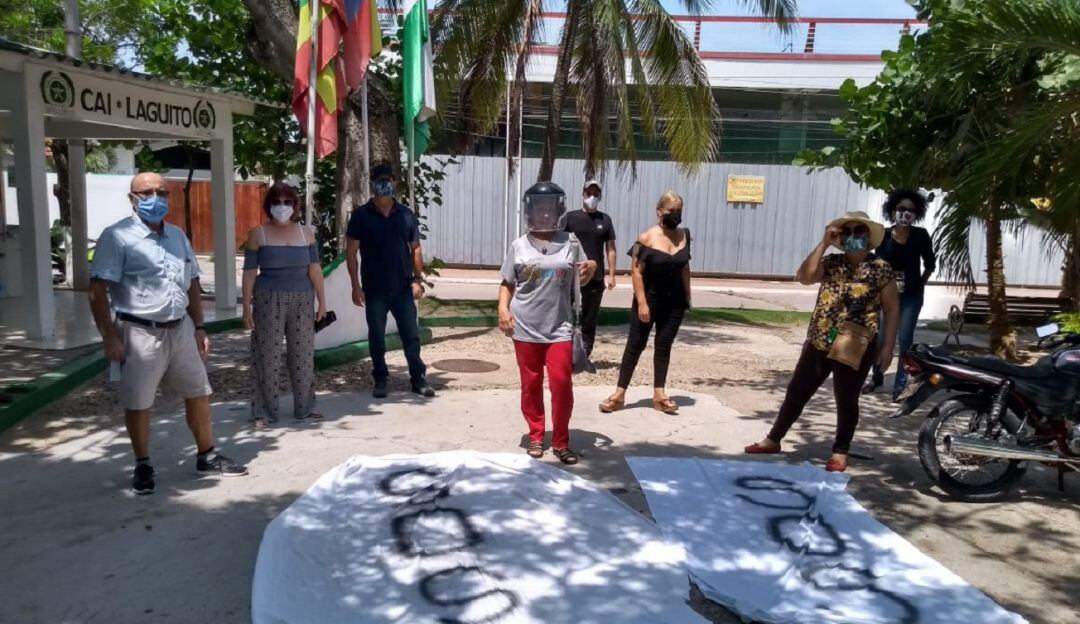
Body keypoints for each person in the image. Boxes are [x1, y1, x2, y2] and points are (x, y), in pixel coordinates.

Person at [88, 172, 247, 495]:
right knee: (138, 402)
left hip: (181, 329)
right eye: (146, 193)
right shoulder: (116, 237)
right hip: (139, 332)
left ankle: (207, 455)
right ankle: (143, 464)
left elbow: (192, 283)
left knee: (199, 392)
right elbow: (97, 289)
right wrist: (109, 335)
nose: (155, 199)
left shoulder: (177, 236)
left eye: (161, 192)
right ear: (132, 199)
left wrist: (199, 327)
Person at [745, 211, 899, 472]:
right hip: (820, 339)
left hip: (856, 343)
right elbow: (804, 277)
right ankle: (773, 439)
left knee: (846, 398)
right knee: (797, 391)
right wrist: (824, 244)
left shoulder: (880, 269)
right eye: (847, 232)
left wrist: (888, 347)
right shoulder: (831, 262)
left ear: (868, 236)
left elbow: (892, 309)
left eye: (859, 231)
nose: (853, 236)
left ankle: (840, 451)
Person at [498, 182, 596, 464]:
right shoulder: (518, 245)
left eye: (549, 209)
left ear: (558, 211)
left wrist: (591, 268)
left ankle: (562, 441)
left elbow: (582, 277)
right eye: (539, 209)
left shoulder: (571, 243)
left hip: (559, 328)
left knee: (562, 385)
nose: (544, 215)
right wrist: (503, 309)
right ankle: (536, 435)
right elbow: (507, 282)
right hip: (525, 327)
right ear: (530, 212)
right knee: (530, 384)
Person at [242, 182, 328, 428]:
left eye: (287, 201)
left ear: (295, 205)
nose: (282, 206)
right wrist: (246, 307)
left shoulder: (306, 233)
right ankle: (263, 411)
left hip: (302, 298)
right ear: (268, 205)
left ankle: (306, 406)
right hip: (268, 299)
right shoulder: (258, 234)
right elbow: (249, 272)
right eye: (277, 202)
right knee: (267, 356)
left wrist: (322, 302)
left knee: (303, 355)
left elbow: (315, 270)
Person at [346, 164, 435, 399]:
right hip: (374, 289)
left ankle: (418, 378)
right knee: (376, 337)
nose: (384, 184)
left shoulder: (405, 214)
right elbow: (351, 253)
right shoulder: (361, 216)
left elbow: (416, 248)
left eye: (388, 179)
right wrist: (355, 286)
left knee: (411, 335)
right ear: (372, 183)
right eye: (380, 180)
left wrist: (417, 280)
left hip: (403, 288)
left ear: (395, 183)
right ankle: (380, 378)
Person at [599, 191, 692, 415]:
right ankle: (619, 394)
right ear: (659, 211)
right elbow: (636, 272)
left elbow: (685, 268)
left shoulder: (684, 235)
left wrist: (688, 295)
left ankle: (660, 395)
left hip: (675, 302)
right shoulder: (646, 238)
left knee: (664, 345)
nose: (675, 215)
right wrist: (642, 302)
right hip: (649, 300)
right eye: (671, 210)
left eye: (679, 211)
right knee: (635, 345)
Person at [863, 189, 936, 401]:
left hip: (911, 297)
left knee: (905, 340)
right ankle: (876, 377)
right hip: (885, 297)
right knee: (880, 339)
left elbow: (930, 264)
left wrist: (920, 284)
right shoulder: (883, 235)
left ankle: (900, 384)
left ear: (917, 213)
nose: (906, 213)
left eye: (911, 210)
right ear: (892, 210)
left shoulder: (920, 235)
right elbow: (874, 263)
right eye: (901, 208)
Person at [562, 180, 617, 362]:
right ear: (583, 194)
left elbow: (611, 248)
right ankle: (563, 354)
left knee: (589, 318)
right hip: (571, 276)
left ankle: (584, 356)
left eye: (595, 194)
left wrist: (612, 275)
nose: (592, 197)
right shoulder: (570, 218)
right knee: (564, 315)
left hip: (596, 277)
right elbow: (559, 243)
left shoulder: (605, 220)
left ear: (600, 196)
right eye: (589, 193)